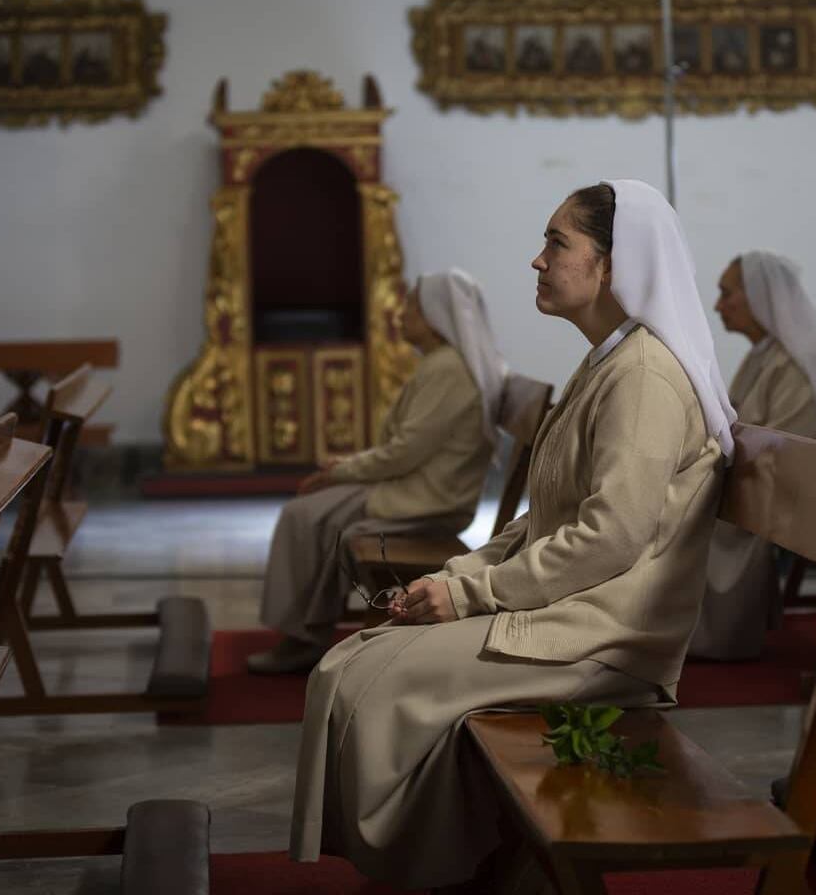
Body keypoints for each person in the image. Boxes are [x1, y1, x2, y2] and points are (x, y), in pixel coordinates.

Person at [288, 179, 734, 890]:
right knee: (356, 660)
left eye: (557, 242)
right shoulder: (607, 361)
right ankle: (458, 860)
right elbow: (544, 516)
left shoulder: (645, 374)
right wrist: (461, 577)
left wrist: (475, 595)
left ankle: (443, 867)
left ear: (614, 265)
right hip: (570, 608)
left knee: (380, 684)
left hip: (605, 637)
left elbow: (610, 536)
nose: (537, 259)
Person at [246, 268, 503, 674]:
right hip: (413, 488)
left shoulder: (448, 368)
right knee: (315, 514)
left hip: (427, 498)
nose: (401, 315)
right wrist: (344, 470)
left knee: (305, 515)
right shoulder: (441, 364)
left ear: (437, 315)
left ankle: (301, 636)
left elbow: (404, 452)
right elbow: (405, 450)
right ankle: (304, 630)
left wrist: (341, 472)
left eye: (412, 306)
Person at [690, 250, 816, 659]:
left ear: (761, 296)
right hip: (762, 475)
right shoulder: (766, 352)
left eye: (727, 293)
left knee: (681, 506)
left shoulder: (801, 363)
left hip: (789, 490)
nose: (717, 305)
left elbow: (781, 452)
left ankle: (696, 630)